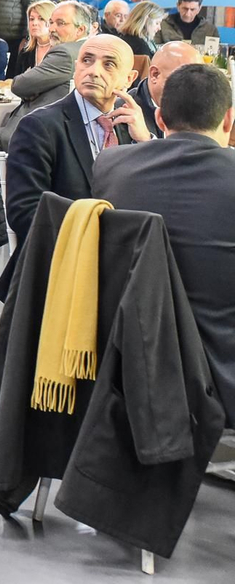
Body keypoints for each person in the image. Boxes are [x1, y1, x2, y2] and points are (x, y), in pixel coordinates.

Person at [92, 64, 235, 419]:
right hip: (219, 378)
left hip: (125, 370)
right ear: (229, 120)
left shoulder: (110, 166)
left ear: (158, 118)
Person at [3, 34, 147, 255]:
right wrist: (94, 241)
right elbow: (24, 213)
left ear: (129, 78)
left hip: (124, 257)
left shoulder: (130, 126)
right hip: (62, 257)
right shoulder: (40, 126)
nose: (94, 71)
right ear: (76, 66)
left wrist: (145, 142)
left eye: (109, 64)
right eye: (87, 60)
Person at [1, 0, 95, 141]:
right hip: (58, 126)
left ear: (80, 30)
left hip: (38, 130)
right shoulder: (85, 49)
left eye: (60, 23)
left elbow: (19, 85)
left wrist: (32, 90)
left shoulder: (64, 52)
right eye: (51, 22)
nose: (52, 29)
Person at [129, 40, 201, 138]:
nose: (194, 88)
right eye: (185, 80)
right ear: (155, 74)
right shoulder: (126, 115)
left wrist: (148, 141)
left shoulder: (198, 107)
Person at [6, 0, 56, 80]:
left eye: (41, 19)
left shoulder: (61, 51)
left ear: (52, 21)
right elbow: (14, 81)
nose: (34, 23)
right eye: (31, 19)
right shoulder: (25, 52)